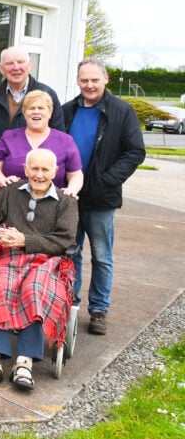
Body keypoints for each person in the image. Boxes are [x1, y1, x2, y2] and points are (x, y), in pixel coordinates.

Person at [0, 148, 78, 391]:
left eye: (45, 170)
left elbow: (64, 240)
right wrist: (0, 232)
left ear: (55, 172)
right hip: (8, 254)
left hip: (46, 259)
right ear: (25, 170)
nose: (39, 175)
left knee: (34, 288)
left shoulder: (66, 202)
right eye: (34, 169)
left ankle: (25, 362)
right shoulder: (10, 192)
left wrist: (26, 242)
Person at [62, 59, 145, 336]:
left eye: (94, 80)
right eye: (84, 80)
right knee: (70, 253)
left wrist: (107, 179)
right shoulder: (67, 111)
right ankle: (68, 303)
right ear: (78, 81)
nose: (89, 85)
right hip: (70, 197)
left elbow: (135, 151)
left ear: (105, 79)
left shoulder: (121, 111)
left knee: (102, 256)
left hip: (102, 198)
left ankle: (98, 310)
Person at [0, 46, 65, 199]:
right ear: (1, 68)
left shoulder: (48, 95)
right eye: (10, 63)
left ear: (29, 64)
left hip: (39, 186)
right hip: (0, 185)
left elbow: (58, 140)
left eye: (21, 62)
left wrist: (46, 181)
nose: (16, 67)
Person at [0, 90, 83, 197]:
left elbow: (76, 174)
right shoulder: (8, 137)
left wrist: (71, 189)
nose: (36, 112)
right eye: (31, 108)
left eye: (41, 108)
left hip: (51, 206)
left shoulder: (65, 141)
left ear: (50, 113)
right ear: (24, 113)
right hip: (13, 201)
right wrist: (4, 181)